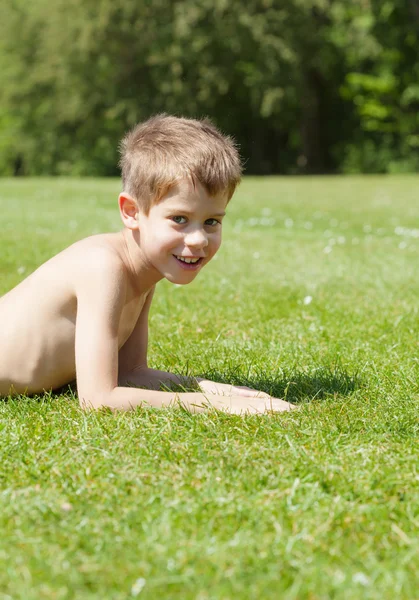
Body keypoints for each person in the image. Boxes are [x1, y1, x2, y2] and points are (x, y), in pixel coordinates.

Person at [0, 114, 294, 414]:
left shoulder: (145, 271)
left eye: (211, 221)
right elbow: (98, 398)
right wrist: (218, 405)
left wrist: (219, 388)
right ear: (131, 212)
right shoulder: (104, 267)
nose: (198, 240)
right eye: (179, 219)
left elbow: (130, 373)